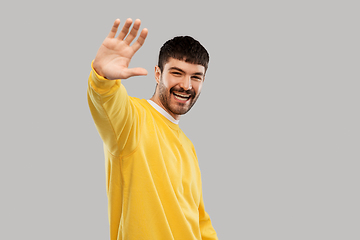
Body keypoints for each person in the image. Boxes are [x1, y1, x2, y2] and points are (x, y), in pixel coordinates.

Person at [87, 18, 218, 240]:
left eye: (196, 77)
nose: (186, 85)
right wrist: (103, 78)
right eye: (177, 73)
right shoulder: (132, 120)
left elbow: (199, 218)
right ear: (158, 74)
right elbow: (107, 102)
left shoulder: (188, 145)